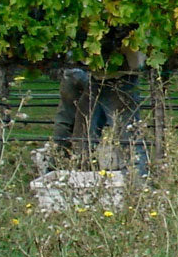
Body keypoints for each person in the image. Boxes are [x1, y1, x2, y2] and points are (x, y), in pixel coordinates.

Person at [41, 43, 149, 176]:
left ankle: (136, 184)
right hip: (101, 75)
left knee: (124, 136)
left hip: (112, 75)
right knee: (88, 134)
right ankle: (78, 180)